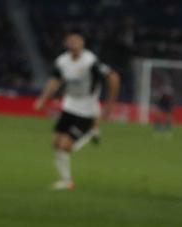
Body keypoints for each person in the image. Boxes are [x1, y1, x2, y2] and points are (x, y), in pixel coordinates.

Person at [32, 32, 120, 190]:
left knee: (65, 146)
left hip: (87, 110)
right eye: (70, 41)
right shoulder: (62, 61)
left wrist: (110, 105)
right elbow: (54, 81)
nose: (73, 44)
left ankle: (92, 130)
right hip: (69, 106)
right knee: (56, 144)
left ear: (82, 44)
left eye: (77, 41)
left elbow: (113, 78)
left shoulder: (90, 61)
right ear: (66, 44)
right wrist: (43, 99)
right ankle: (67, 182)